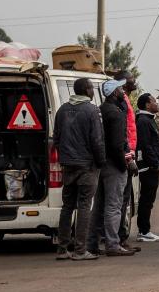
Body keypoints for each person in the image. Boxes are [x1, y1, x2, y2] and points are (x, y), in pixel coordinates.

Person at [52, 78, 105, 261]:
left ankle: (62, 249)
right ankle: (80, 250)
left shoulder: (62, 110)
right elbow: (97, 141)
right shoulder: (92, 110)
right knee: (84, 206)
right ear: (87, 90)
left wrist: (64, 158)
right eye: (91, 88)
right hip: (87, 165)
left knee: (67, 206)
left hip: (68, 165)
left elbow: (56, 138)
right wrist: (100, 162)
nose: (92, 91)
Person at [87, 80, 138, 256]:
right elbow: (118, 144)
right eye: (120, 88)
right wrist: (125, 164)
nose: (123, 91)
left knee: (99, 206)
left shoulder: (101, 110)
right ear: (113, 92)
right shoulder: (116, 114)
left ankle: (91, 244)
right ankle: (113, 244)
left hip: (100, 163)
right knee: (114, 206)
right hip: (114, 165)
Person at [112, 70, 140, 248]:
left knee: (123, 198)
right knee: (121, 199)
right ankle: (119, 238)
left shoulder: (126, 100)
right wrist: (129, 158)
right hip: (123, 155)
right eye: (131, 79)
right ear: (122, 83)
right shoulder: (121, 103)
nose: (134, 81)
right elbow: (122, 134)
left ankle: (118, 236)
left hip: (127, 152)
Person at [134, 93, 159, 243]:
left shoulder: (148, 120)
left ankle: (145, 230)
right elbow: (146, 146)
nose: (157, 103)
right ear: (147, 105)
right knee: (147, 199)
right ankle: (144, 231)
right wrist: (154, 164)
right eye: (154, 101)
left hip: (151, 166)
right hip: (148, 167)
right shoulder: (144, 121)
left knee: (148, 199)